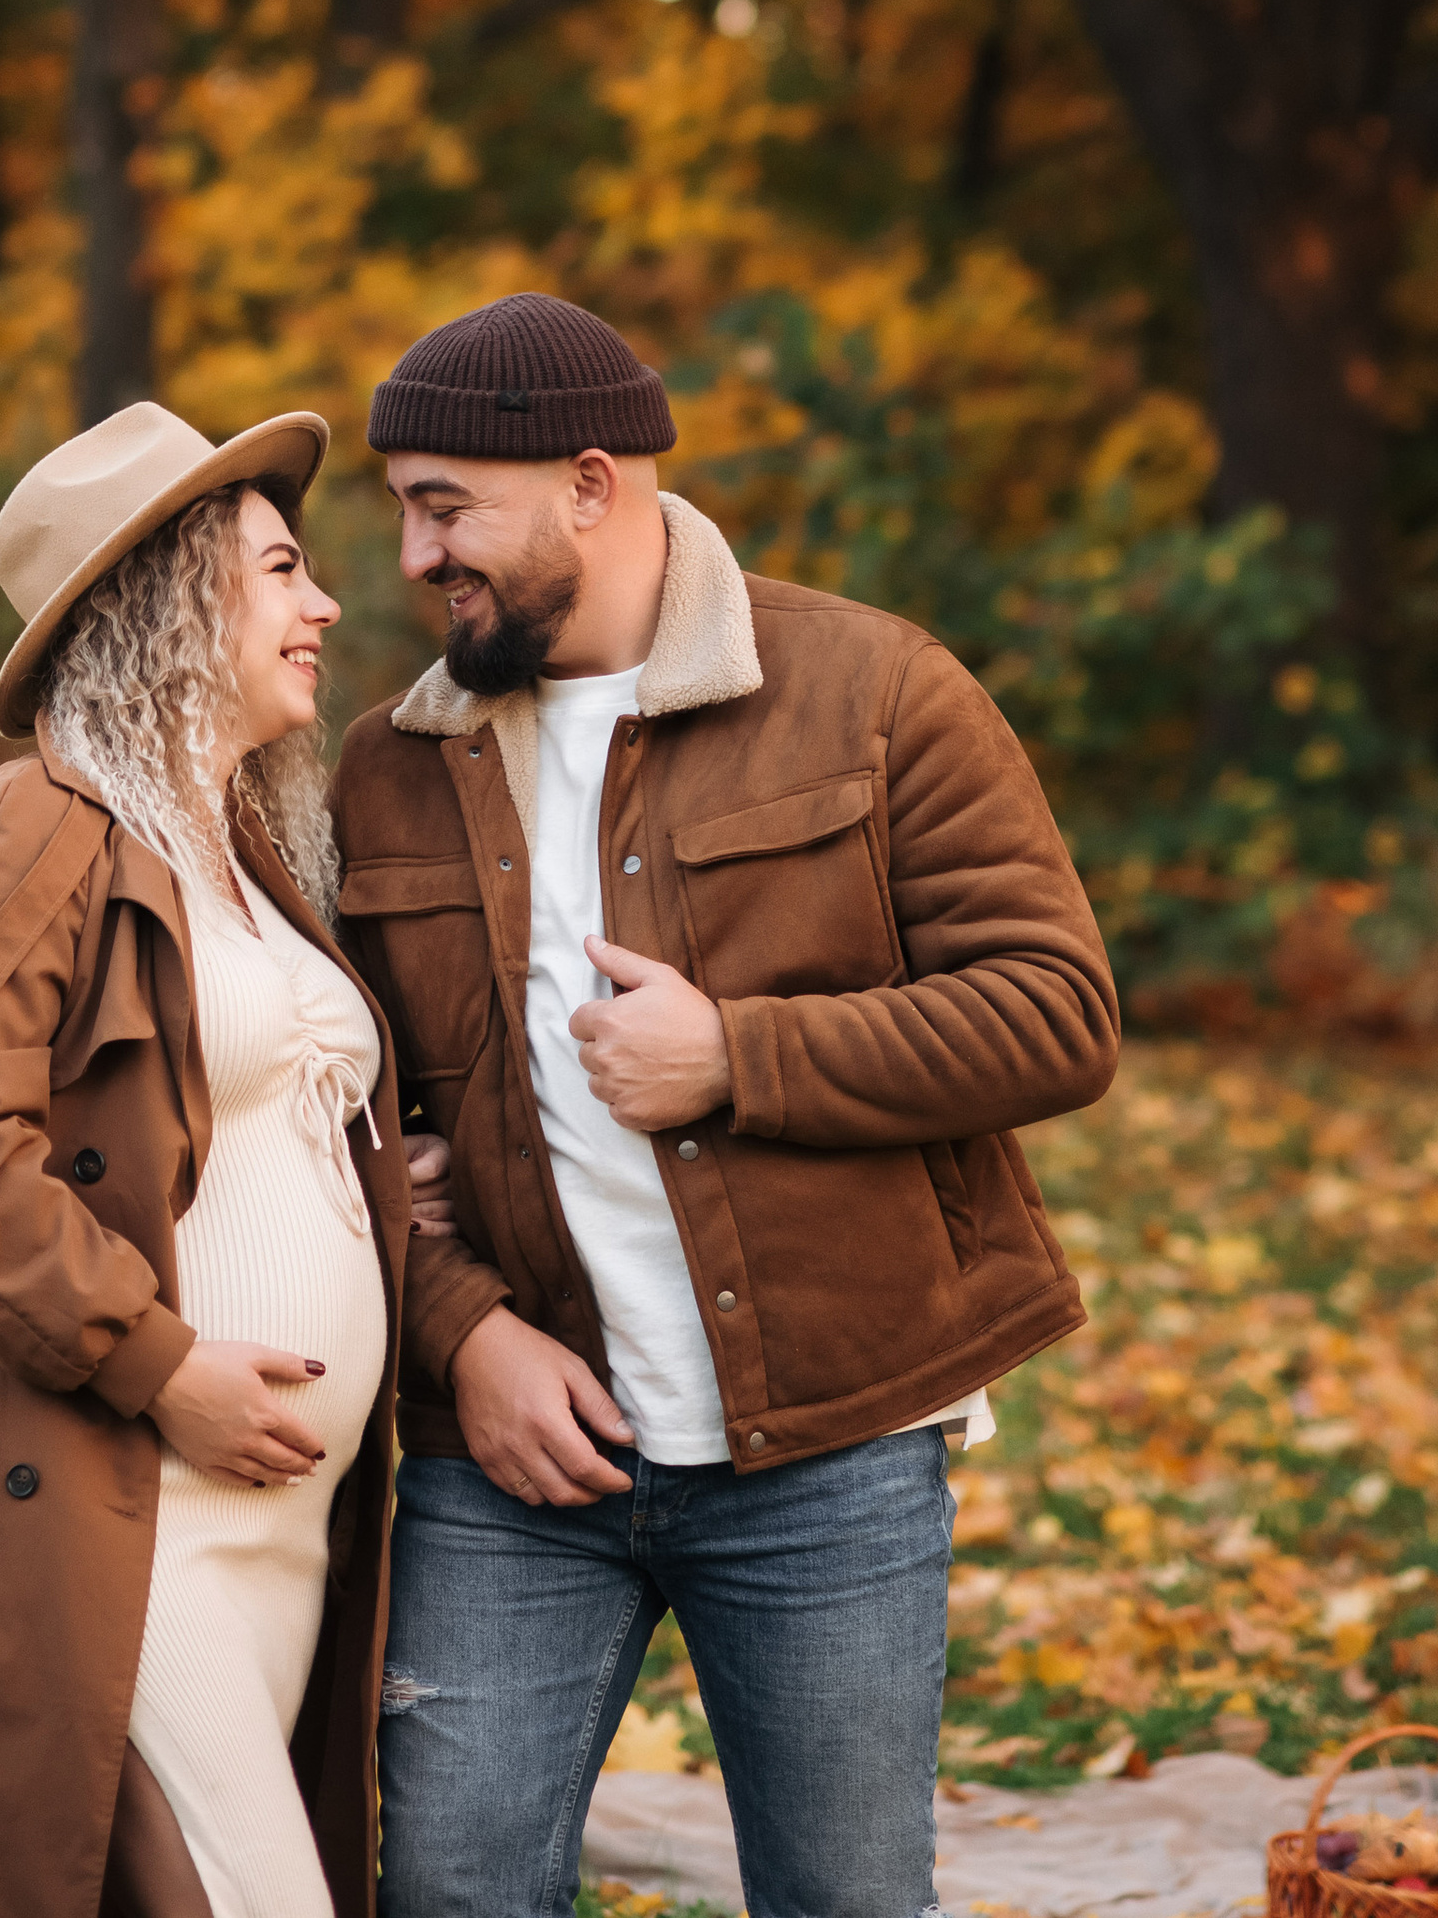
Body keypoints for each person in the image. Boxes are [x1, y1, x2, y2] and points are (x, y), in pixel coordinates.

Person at [333, 294, 1121, 1918]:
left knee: (843, 1900)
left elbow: (1059, 1013)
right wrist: (465, 1332)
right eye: (402, 508)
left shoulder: (875, 690)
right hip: (514, 1469)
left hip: (831, 1445)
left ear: (593, 484)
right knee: (453, 1891)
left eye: (443, 505)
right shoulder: (385, 767)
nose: (413, 558)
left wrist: (739, 1058)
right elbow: (343, 1130)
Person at [0, 399, 415, 1918]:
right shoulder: (28, 826)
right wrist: (155, 1362)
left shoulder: (246, 847)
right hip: (123, 1498)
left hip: (273, 1523)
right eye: (282, 570)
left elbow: (226, 1121)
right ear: (169, 596)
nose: (326, 604)